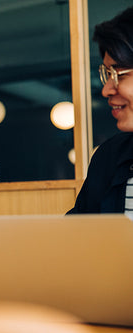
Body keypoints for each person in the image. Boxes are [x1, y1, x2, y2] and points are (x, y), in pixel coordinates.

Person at [67, 6, 133, 216]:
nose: (106, 90)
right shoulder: (109, 157)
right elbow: (72, 239)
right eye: (107, 74)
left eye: (119, 75)